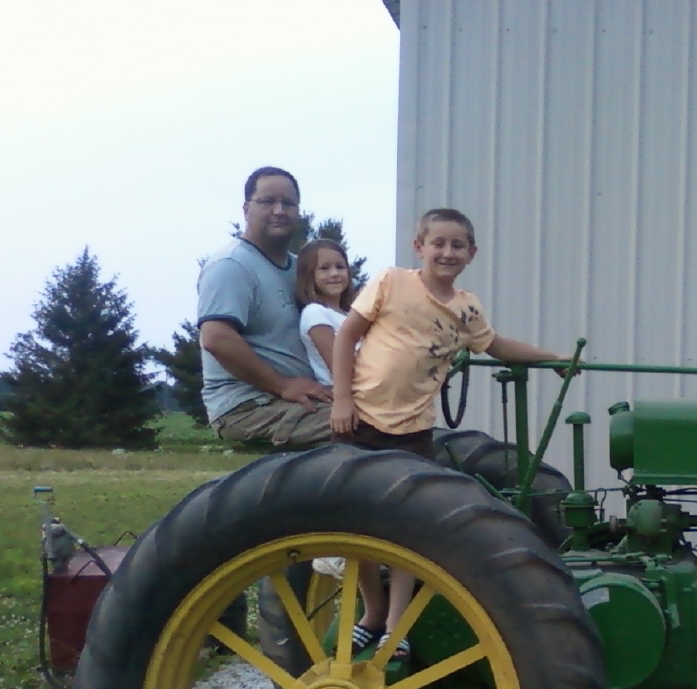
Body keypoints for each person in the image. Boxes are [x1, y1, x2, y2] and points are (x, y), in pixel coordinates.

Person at [329, 207, 571, 660]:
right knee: (353, 526)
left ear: (471, 254)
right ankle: (372, 612)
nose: (446, 251)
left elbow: (497, 346)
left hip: (413, 431)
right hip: (361, 418)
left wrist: (550, 357)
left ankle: (397, 626)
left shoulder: (467, 308)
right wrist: (342, 400)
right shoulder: (390, 282)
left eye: (457, 245)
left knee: (409, 529)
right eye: (437, 242)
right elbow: (347, 337)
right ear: (419, 246)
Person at [197, 166, 332, 447]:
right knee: (366, 426)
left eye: (288, 203)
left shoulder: (300, 269)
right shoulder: (231, 265)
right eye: (268, 201)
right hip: (249, 407)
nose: (279, 210)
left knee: (391, 417)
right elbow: (216, 338)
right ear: (246, 209)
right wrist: (283, 385)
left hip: (302, 398)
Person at [294, 238, 356, 387]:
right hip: (347, 393)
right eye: (324, 268)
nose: (334, 273)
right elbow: (339, 367)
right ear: (309, 276)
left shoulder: (348, 314)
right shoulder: (315, 313)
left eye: (340, 267)